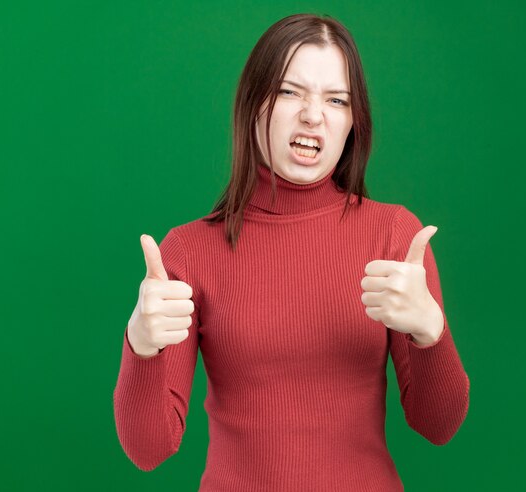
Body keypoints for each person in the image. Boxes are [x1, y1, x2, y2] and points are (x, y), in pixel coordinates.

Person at [113, 13, 470, 491]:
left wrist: (431, 333)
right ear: (253, 104)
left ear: (352, 122)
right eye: (289, 91)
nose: (313, 114)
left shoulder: (395, 239)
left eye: (336, 99)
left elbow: (438, 426)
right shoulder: (189, 251)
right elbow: (148, 449)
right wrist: (140, 344)